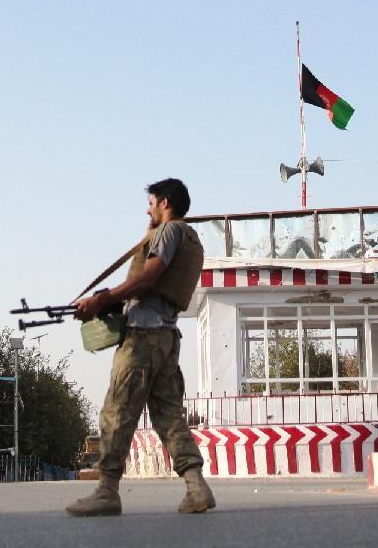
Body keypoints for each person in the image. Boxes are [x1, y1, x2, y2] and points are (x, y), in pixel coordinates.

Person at [66, 178, 214, 517]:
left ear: (164, 202)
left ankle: (106, 491)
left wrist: (103, 298)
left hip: (143, 338)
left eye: (151, 203)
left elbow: (148, 278)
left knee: (117, 411)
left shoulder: (169, 232)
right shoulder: (191, 239)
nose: (147, 209)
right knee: (168, 417)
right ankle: (196, 486)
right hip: (166, 338)